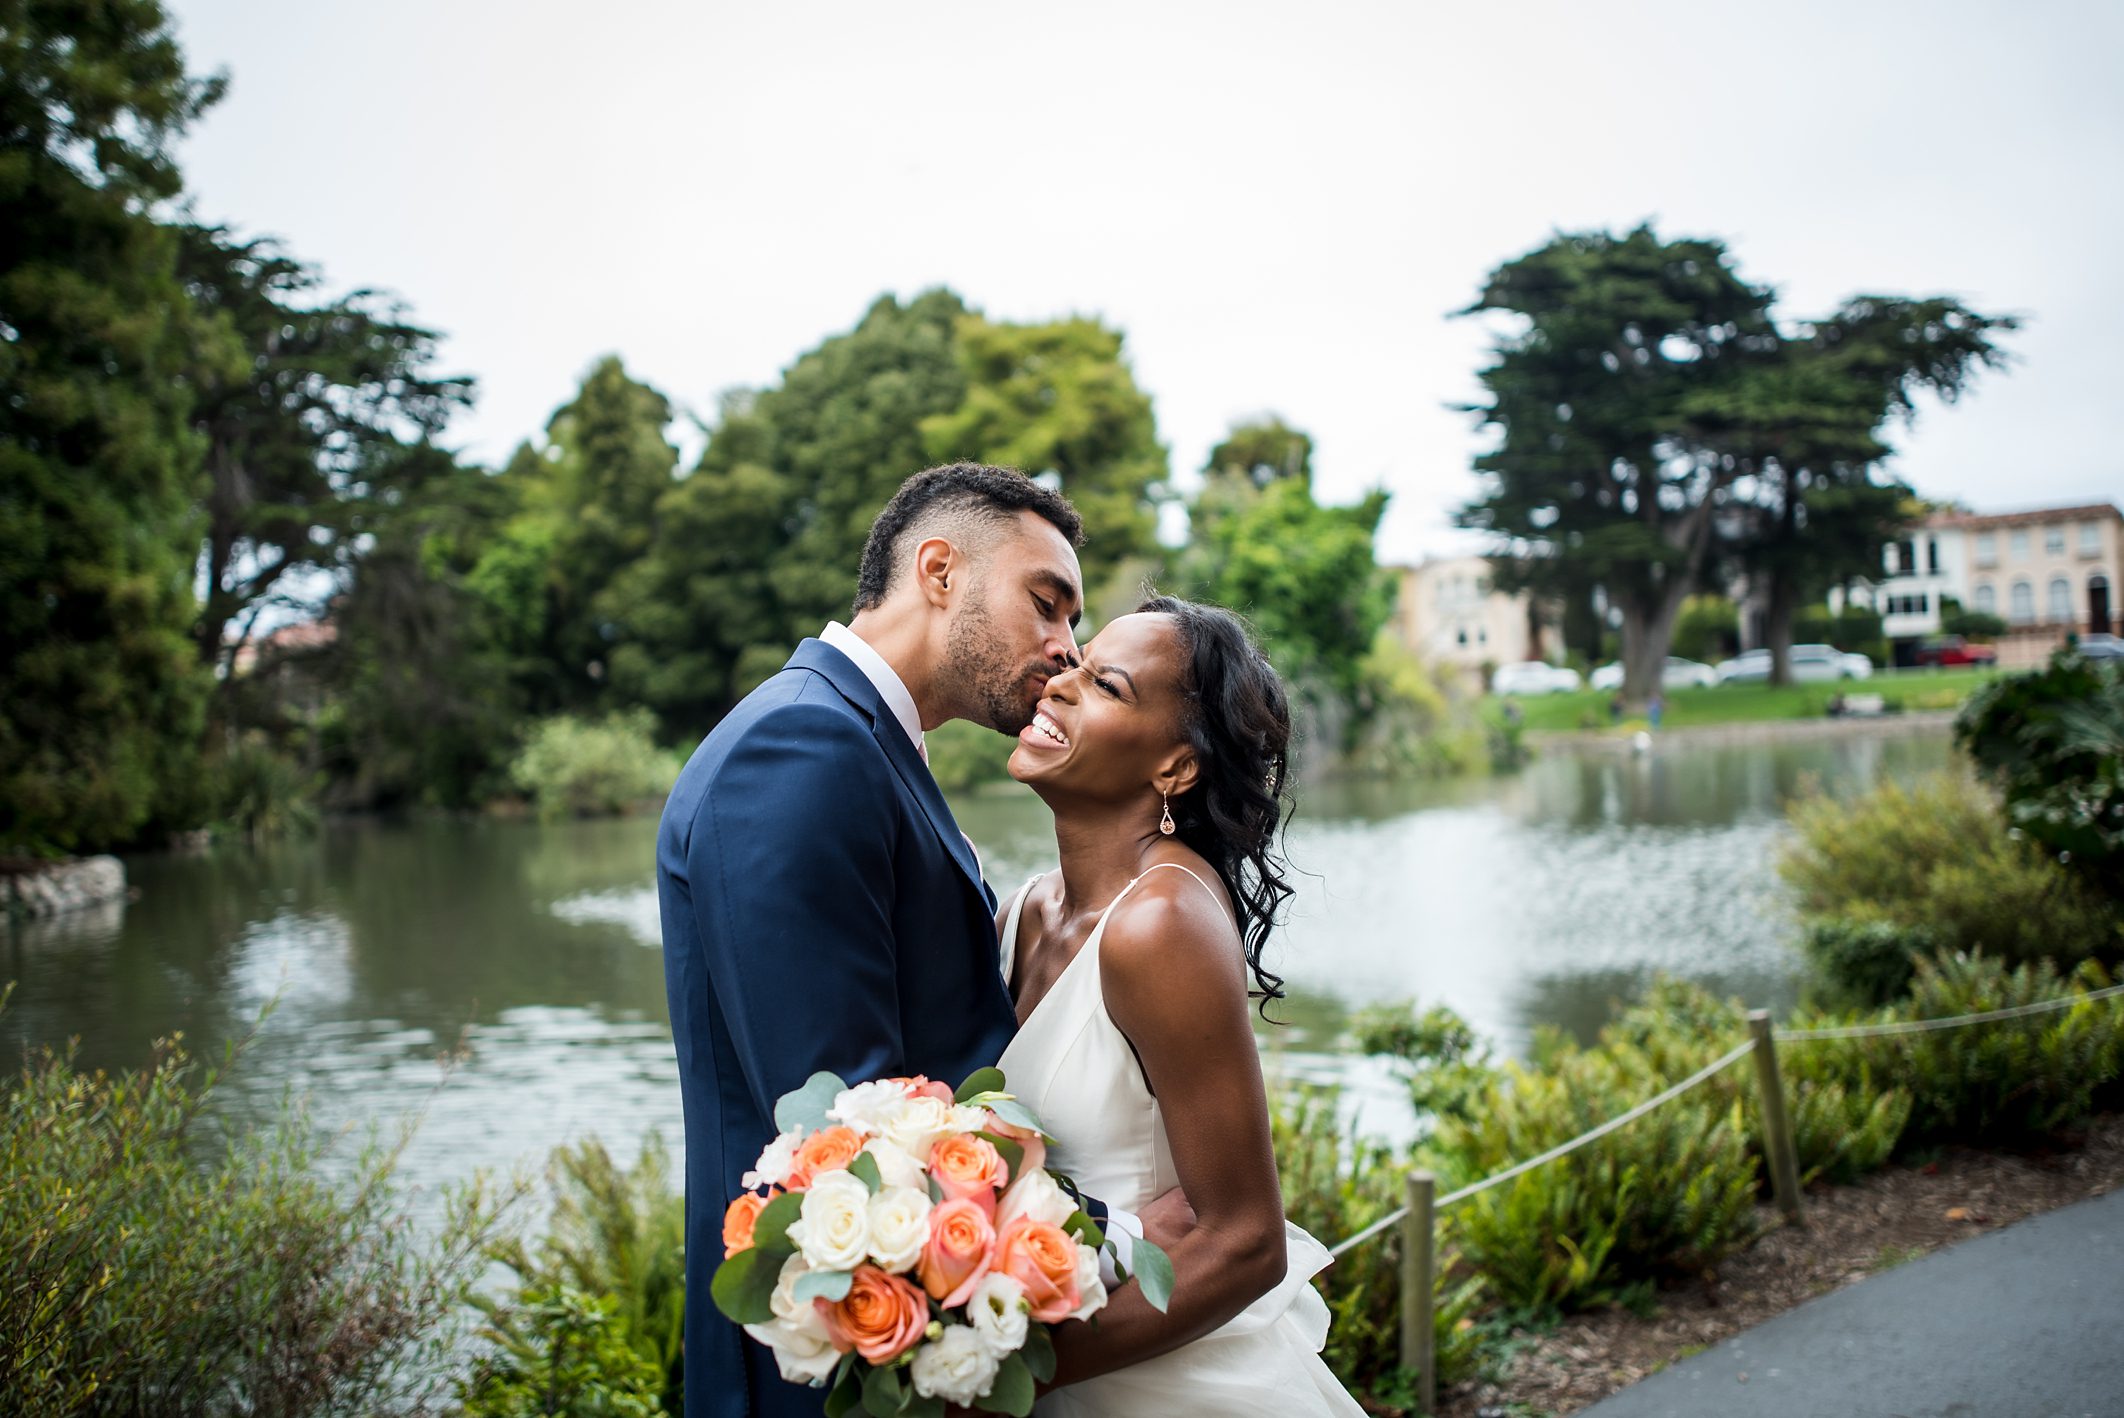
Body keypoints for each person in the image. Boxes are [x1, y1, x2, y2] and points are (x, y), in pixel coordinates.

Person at [658, 465, 1188, 1418]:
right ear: (939, 570)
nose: (1066, 651)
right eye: (1047, 604)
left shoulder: (861, 743)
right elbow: (845, 1132)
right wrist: (1106, 1236)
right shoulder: (801, 751)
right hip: (821, 1372)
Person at [996, 596, 1363, 1415]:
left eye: (1107, 687)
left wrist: (1002, 1378)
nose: (1060, 684)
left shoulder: (1160, 924)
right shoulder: (1021, 912)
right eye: (1074, 667)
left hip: (1172, 1388)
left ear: (1175, 769)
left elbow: (1246, 1244)